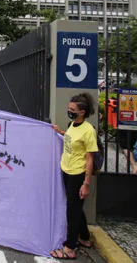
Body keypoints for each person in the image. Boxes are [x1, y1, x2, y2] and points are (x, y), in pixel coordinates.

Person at [50, 93, 98, 260]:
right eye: (69, 109)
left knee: (72, 210)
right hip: (67, 171)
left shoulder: (88, 131)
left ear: (82, 112)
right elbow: (71, 140)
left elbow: (90, 158)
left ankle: (70, 247)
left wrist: (86, 183)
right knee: (76, 207)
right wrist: (60, 132)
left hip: (78, 174)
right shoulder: (73, 125)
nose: (69, 111)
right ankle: (84, 238)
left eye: (72, 110)